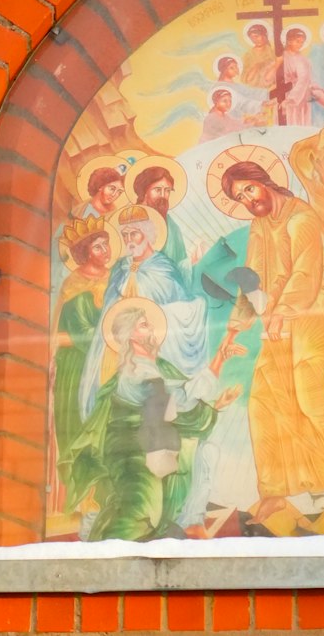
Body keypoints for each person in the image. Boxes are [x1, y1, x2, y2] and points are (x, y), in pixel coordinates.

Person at [220, 138, 324, 520]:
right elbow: (250, 276)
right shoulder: (259, 226)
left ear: (264, 182)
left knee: (310, 395)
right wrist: (237, 325)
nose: (248, 200)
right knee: (263, 399)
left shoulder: (303, 218)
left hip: (315, 309)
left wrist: (283, 311)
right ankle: (274, 491)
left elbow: (307, 273)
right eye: (240, 197)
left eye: (249, 189)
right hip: (277, 318)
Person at [62, 299, 242, 541]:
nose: (152, 330)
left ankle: (190, 522)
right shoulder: (134, 372)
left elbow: (179, 405)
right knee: (143, 510)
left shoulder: (158, 367)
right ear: (132, 336)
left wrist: (217, 402)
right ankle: (105, 541)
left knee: (206, 452)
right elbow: (179, 400)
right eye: (144, 325)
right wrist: (219, 359)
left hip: (154, 445)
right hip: (132, 454)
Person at [79, 200, 207, 408]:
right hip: (116, 346)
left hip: (149, 344)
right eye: (125, 235)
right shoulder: (121, 267)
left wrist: (155, 314)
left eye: (134, 233)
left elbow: (180, 303)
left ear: (147, 234)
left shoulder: (162, 267)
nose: (129, 240)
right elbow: (109, 305)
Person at [52, 222, 113, 469]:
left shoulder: (114, 276)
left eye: (105, 243)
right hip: (78, 364)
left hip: (107, 359)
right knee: (81, 422)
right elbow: (81, 331)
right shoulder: (74, 284)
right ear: (85, 253)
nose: (105, 250)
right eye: (97, 247)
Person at [271, 27, 313, 126]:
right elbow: (269, 77)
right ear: (289, 41)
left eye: (302, 42)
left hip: (297, 97)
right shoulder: (280, 57)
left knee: (294, 124)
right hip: (280, 95)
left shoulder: (302, 60)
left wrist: (290, 100)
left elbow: (303, 80)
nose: (300, 44)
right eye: (297, 41)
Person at [241, 23, 275, 88]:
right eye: (252, 38)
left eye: (257, 36)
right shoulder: (248, 55)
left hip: (270, 87)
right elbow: (244, 78)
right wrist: (255, 68)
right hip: (254, 87)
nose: (255, 40)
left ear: (264, 36)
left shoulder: (272, 52)